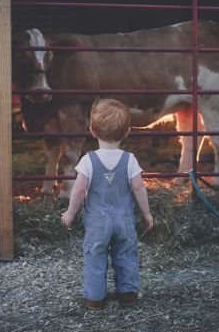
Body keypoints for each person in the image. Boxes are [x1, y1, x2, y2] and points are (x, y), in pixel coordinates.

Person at [61, 98, 154, 310]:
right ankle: (128, 294)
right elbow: (139, 188)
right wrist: (146, 213)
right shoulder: (130, 160)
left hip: (97, 223)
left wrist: (70, 212)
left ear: (92, 131)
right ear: (127, 132)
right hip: (124, 220)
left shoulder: (88, 160)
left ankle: (94, 298)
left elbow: (79, 190)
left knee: (95, 257)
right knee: (126, 255)